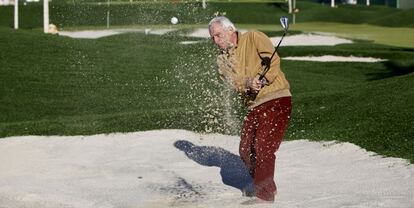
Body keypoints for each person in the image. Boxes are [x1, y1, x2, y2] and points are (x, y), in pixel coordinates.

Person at [208, 16, 292, 202]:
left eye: (218, 35)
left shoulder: (253, 37)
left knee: (263, 147)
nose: (215, 40)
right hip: (255, 106)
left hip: (277, 98)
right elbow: (235, 82)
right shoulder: (222, 60)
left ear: (231, 30)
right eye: (212, 37)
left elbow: (273, 60)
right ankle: (268, 186)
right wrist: (248, 82)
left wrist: (263, 79)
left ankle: (264, 196)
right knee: (246, 150)